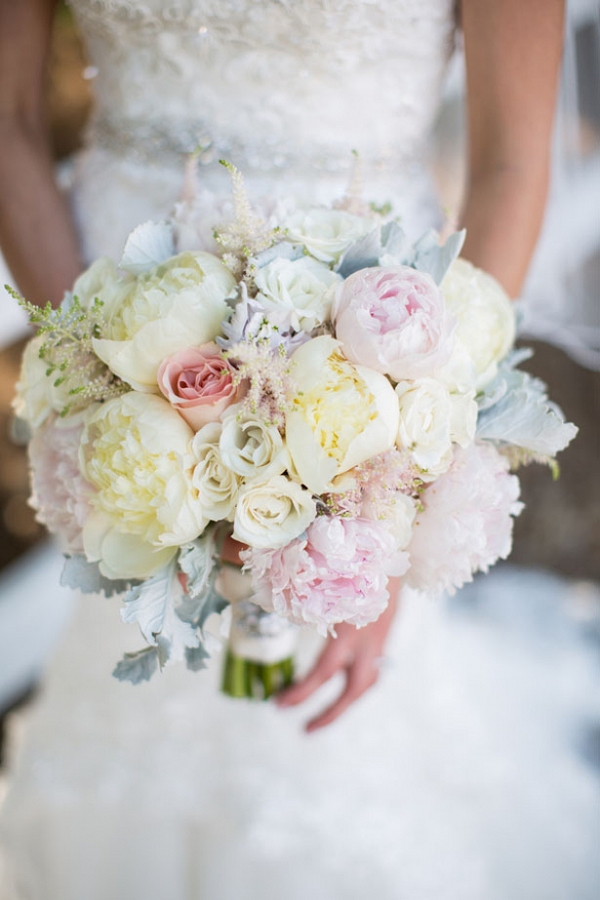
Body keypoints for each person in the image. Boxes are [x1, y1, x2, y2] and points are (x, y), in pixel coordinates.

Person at [2, 2, 596, 898]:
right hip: (107, 329)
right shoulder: (103, 374)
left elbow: (511, 159)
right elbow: (8, 120)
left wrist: (392, 513)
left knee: (346, 756)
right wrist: (99, 376)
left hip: (371, 362)